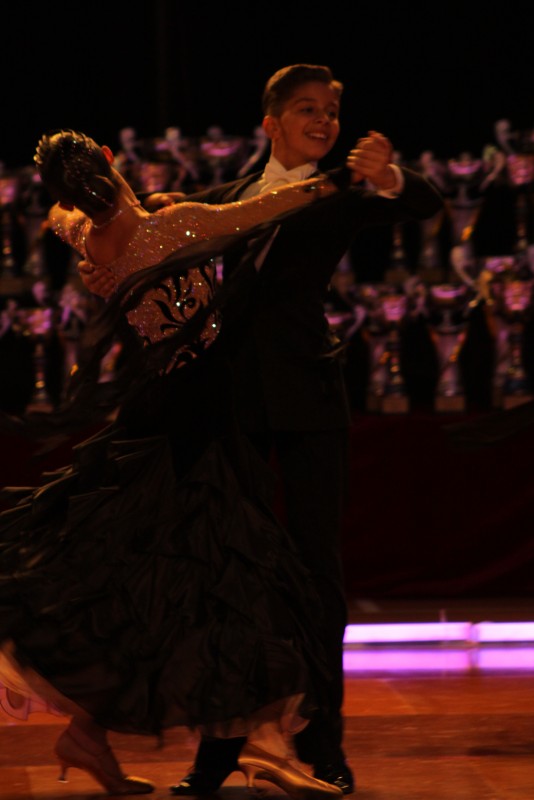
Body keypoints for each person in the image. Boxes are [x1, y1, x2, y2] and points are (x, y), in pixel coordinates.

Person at [81, 64, 444, 797]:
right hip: (228, 404)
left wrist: (389, 175)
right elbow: (151, 256)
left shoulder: (342, 191)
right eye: (307, 109)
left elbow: (423, 202)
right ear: (272, 123)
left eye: (331, 110)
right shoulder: (223, 198)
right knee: (230, 573)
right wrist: (116, 256)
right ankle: (219, 753)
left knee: (317, 572)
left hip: (309, 399)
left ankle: (323, 742)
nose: (323, 120)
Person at [0, 129, 367, 798]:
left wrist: (75, 220)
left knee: (163, 588)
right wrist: (340, 180)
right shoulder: (174, 227)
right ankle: (260, 744)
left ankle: (97, 735)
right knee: (231, 582)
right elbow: (270, 208)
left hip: (155, 415)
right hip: (199, 424)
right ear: (108, 159)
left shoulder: (87, 235)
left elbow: (57, 215)